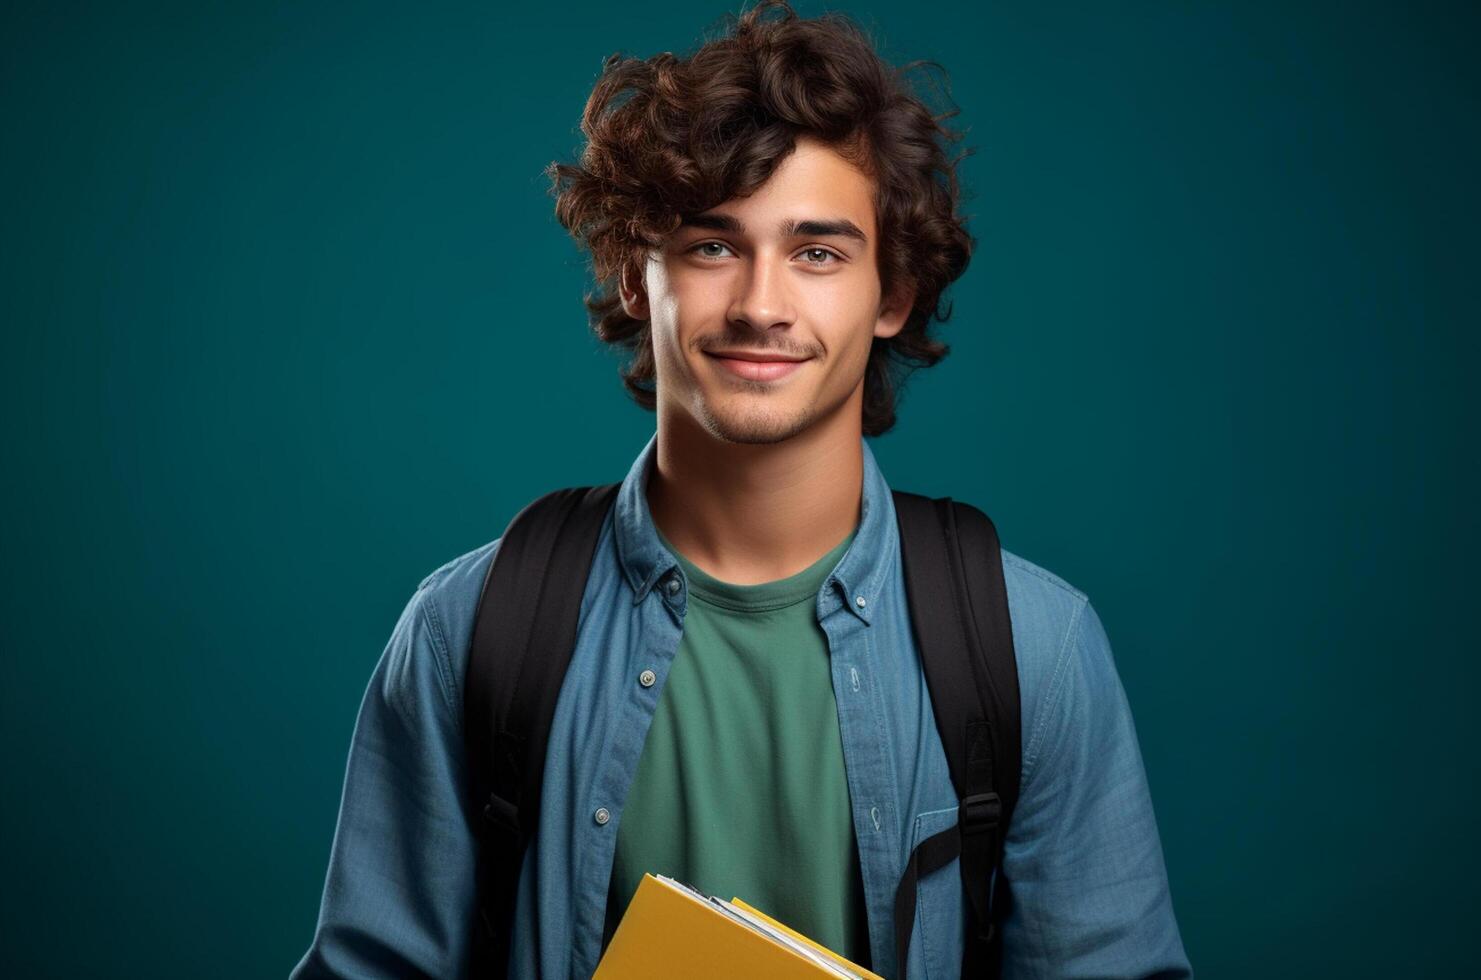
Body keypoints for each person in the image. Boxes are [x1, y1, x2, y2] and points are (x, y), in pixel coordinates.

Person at [292, 2, 1191, 977]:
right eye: (713, 244)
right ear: (638, 274)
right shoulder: (469, 627)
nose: (762, 303)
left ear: (891, 293)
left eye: (817, 251)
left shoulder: (1035, 651)